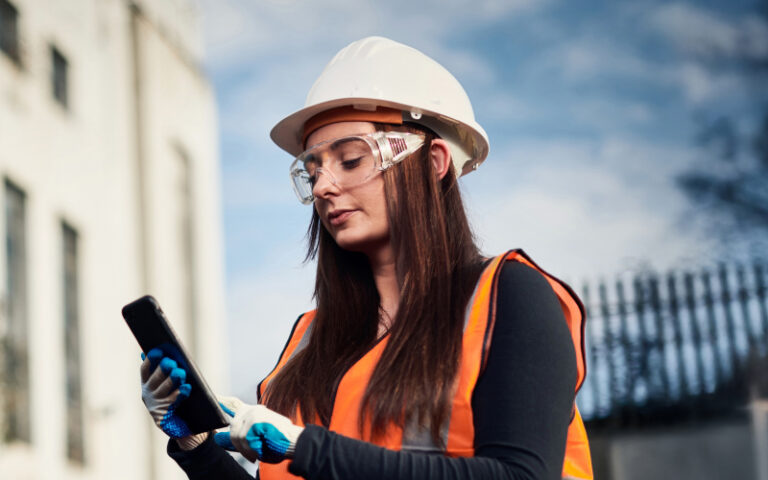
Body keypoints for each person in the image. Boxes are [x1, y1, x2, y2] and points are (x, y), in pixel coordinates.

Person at [139, 36, 593, 480]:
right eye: (312, 170)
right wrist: (192, 443)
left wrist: (305, 448)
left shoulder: (508, 297)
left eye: (351, 160)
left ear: (434, 162)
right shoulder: (309, 343)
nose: (322, 186)